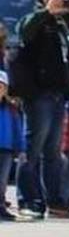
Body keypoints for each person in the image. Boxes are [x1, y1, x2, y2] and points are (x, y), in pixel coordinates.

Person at [14, 0, 69, 218]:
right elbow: (23, 32)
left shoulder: (59, 27)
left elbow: (65, 59)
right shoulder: (35, 20)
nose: (60, 1)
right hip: (38, 95)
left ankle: (55, 201)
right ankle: (28, 200)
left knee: (53, 152)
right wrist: (46, 12)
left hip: (57, 94)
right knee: (32, 148)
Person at [0, 69, 25, 220]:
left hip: (7, 149)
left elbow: (17, 128)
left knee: (2, 180)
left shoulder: (11, 108)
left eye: (2, 86)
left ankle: (1, 206)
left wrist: (21, 148)